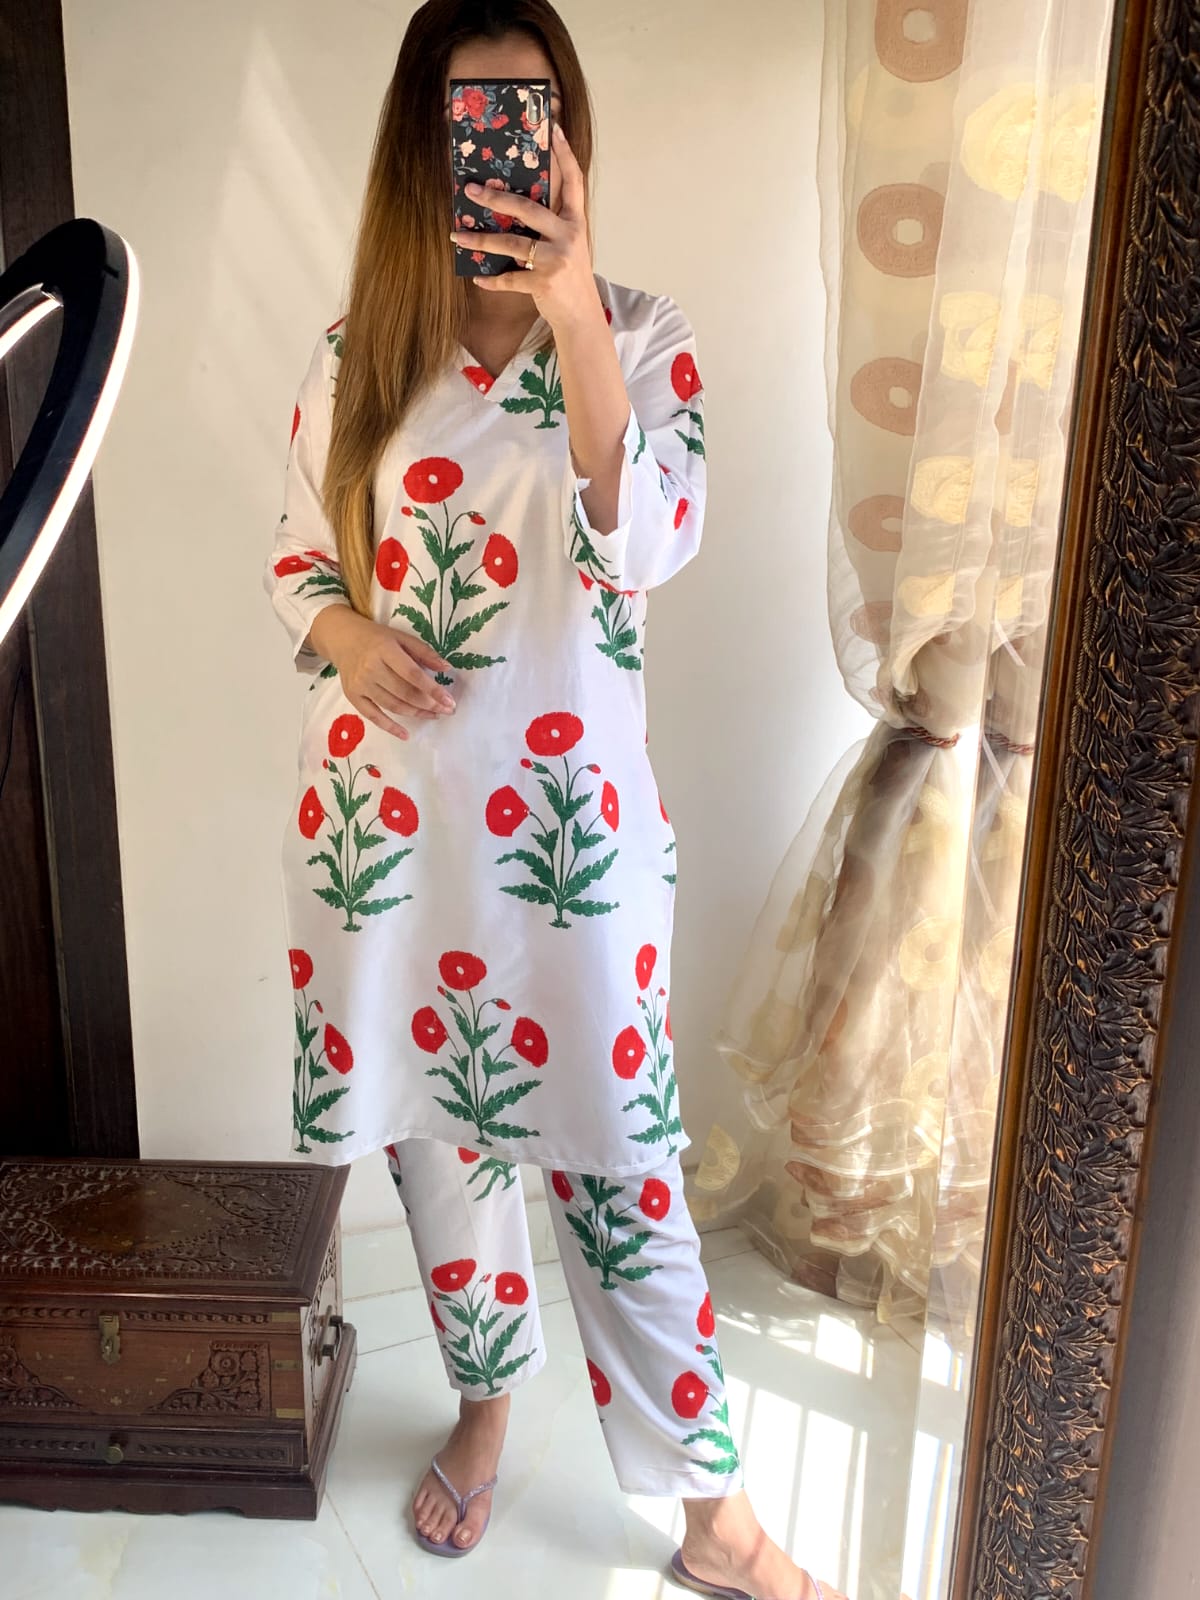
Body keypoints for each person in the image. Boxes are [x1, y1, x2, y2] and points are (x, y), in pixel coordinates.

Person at [264, 4, 845, 1597]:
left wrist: (575, 309)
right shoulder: (356, 354)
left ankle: (713, 1513)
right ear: (422, 146)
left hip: (573, 842)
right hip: (387, 835)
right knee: (437, 1140)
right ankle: (484, 1407)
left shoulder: (645, 337)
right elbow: (301, 562)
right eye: (471, 119)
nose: (504, 146)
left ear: (571, 135)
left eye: (530, 112)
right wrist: (349, 637)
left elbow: (649, 538)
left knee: (620, 1163)